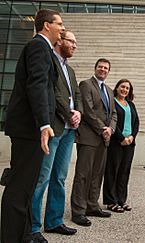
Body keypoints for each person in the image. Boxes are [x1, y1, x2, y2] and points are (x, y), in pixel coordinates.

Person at [1, 9, 65, 243]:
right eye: (59, 23)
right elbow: (37, 85)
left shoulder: (44, 48)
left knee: (26, 185)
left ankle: (25, 233)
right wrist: (44, 124)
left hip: (31, 129)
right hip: (29, 130)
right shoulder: (39, 46)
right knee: (20, 186)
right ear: (46, 25)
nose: (63, 28)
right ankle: (11, 237)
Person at [31, 30, 82, 240]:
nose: (75, 46)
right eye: (72, 41)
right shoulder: (49, 61)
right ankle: (33, 227)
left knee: (60, 178)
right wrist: (69, 113)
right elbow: (53, 92)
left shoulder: (70, 70)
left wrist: (78, 111)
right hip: (54, 128)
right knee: (42, 178)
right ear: (60, 41)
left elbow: (76, 94)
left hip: (69, 132)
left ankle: (54, 221)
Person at [71, 58, 117, 227]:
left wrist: (110, 129)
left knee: (97, 174)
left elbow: (114, 114)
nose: (103, 70)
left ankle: (92, 205)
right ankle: (78, 211)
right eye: (100, 67)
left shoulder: (110, 91)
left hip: (103, 139)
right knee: (83, 175)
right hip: (89, 137)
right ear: (95, 68)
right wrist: (103, 128)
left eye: (106, 68)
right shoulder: (86, 85)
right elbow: (88, 111)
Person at [103, 79, 139, 213]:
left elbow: (136, 122)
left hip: (129, 143)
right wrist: (121, 138)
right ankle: (110, 201)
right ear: (117, 88)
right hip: (116, 143)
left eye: (127, 88)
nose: (124, 90)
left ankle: (121, 200)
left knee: (124, 172)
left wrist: (131, 137)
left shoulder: (131, 104)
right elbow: (111, 122)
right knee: (112, 171)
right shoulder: (112, 103)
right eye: (122, 87)